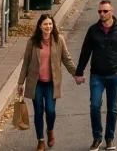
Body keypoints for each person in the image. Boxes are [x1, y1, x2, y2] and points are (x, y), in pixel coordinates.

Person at [74, 0, 117, 151]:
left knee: (112, 108)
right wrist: (79, 72)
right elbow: (85, 52)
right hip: (97, 76)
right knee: (95, 105)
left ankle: (109, 138)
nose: (102, 14)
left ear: (112, 11)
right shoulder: (93, 30)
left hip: (114, 75)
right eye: (100, 11)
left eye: (105, 11)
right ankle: (97, 137)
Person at [19, 13, 76, 151]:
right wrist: (20, 82)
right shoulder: (32, 42)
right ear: (40, 26)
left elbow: (66, 59)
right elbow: (26, 62)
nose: (48, 26)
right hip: (36, 82)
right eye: (45, 24)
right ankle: (40, 141)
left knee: (50, 111)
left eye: (50, 24)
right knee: (38, 111)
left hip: (51, 83)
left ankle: (50, 130)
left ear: (53, 25)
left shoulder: (58, 40)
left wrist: (76, 74)